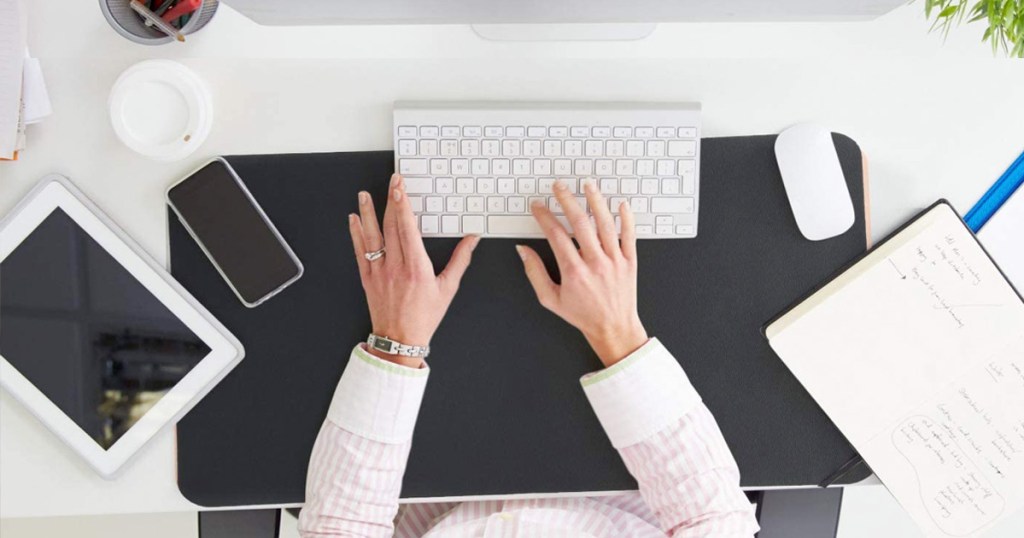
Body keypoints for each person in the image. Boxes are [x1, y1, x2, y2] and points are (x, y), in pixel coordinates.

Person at [298, 173, 760, 537]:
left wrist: (397, 343)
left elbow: (341, 529)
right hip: (618, 483)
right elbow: (717, 521)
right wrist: (616, 329)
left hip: (431, 489)